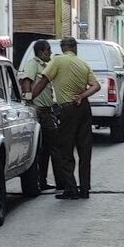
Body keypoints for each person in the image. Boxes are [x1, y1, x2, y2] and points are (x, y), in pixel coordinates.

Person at [31, 37, 101, 200]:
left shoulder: (57, 61)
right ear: (75, 48)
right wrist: (82, 96)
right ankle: (84, 189)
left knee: (65, 149)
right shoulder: (83, 64)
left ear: (63, 48)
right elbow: (96, 86)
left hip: (67, 109)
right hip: (84, 108)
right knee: (84, 149)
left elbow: (43, 82)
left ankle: (71, 188)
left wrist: (29, 97)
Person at [20, 40, 58, 191]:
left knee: (48, 147)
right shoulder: (33, 64)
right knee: (40, 147)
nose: (50, 53)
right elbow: (26, 81)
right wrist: (30, 101)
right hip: (38, 110)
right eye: (48, 50)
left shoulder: (47, 65)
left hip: (48, 110)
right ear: (41, 52)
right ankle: (37, 181)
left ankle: (43, 180)